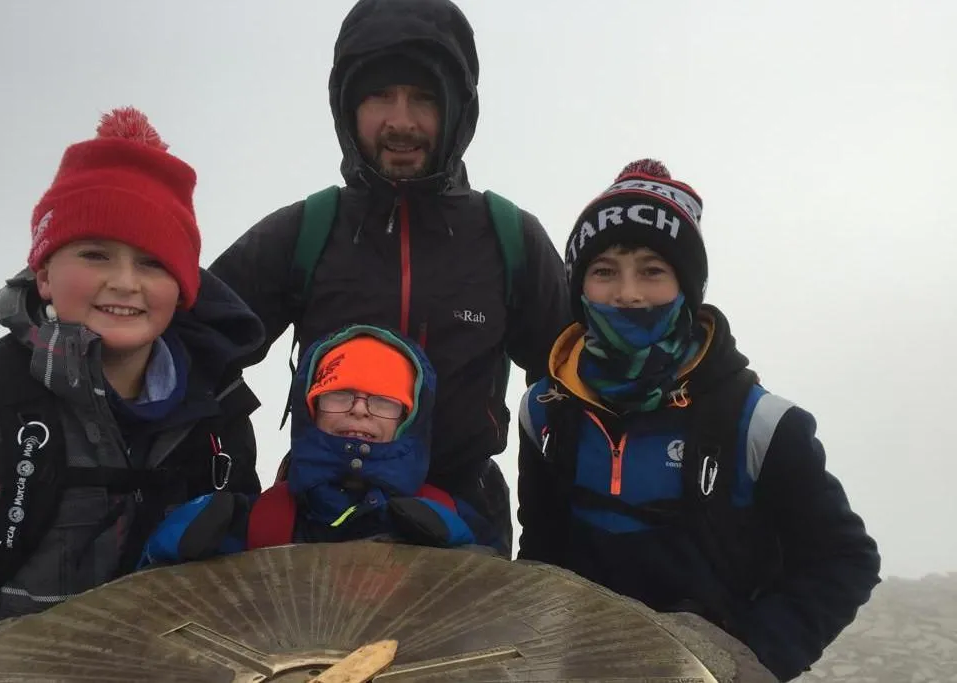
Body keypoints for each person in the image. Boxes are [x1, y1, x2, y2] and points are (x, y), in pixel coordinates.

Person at [209, 0, 571, 556]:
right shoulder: (307, 229)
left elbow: (576, 388)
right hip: (317, 523)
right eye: (379, 95)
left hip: (465, 528)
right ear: (347, 106)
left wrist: (555, 533)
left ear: (457, 110)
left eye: (424, 97)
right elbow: (193, 353)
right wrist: (231, 492)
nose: (401, 122)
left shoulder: (509, 238)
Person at [516, 159, 881, 681]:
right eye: (604, 271)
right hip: (576, 664)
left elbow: (844, 558)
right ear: (579, 287)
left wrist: (747, 657)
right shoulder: (546, 411)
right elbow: (542, 544)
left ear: (687, 285)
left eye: (652, 270)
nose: (627, 293)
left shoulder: (760, 426)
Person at [0, 107, 265, 654]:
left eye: (153, 263)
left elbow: (248, 582)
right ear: (44, 273)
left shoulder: (218, 414)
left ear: (184, 287)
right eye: (95, 254)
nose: (125, 282)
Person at [141, 324, 497, 565]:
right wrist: (170, 545)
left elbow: (499, 609)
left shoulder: (449, 517)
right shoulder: (256, 522)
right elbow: (154, 604)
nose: (359, 410)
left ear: (409, 419)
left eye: (384, 400)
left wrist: (463, 547)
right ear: (310, 409)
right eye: (340, 394)